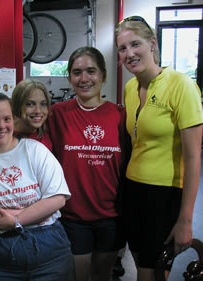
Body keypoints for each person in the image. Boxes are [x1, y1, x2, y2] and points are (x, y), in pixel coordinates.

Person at [115, 15, 203, 280]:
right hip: (133, 189)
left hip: (164, 194)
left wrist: (185, 220)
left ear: (152, 43)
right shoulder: (130, 88)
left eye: (135, 44)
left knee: (151, 272)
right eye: (122, 48)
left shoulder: (181, 85)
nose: (129, 54)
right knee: (141, 261)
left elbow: (193, 158)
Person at [0, 91, 74, 281]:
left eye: (6, 119)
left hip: (48, 245)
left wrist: (15, 220)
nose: (1, 126)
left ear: (13, 119)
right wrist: (32, 213)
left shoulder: (34, 150)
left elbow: (57, 198)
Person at [47, 46, 129, 281]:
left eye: (91, 71)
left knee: (102, 277)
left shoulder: (120, 115)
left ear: (103, 75)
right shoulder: (57, 114)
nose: (84, 79)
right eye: (77, 72)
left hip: (111, 217)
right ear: (70, 77)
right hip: (73, 217)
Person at [11, 78, 52, 150]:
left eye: (43, 104)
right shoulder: (6, 134)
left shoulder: (48, 130)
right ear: (17, 105)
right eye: (30, 104)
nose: (38, 111)